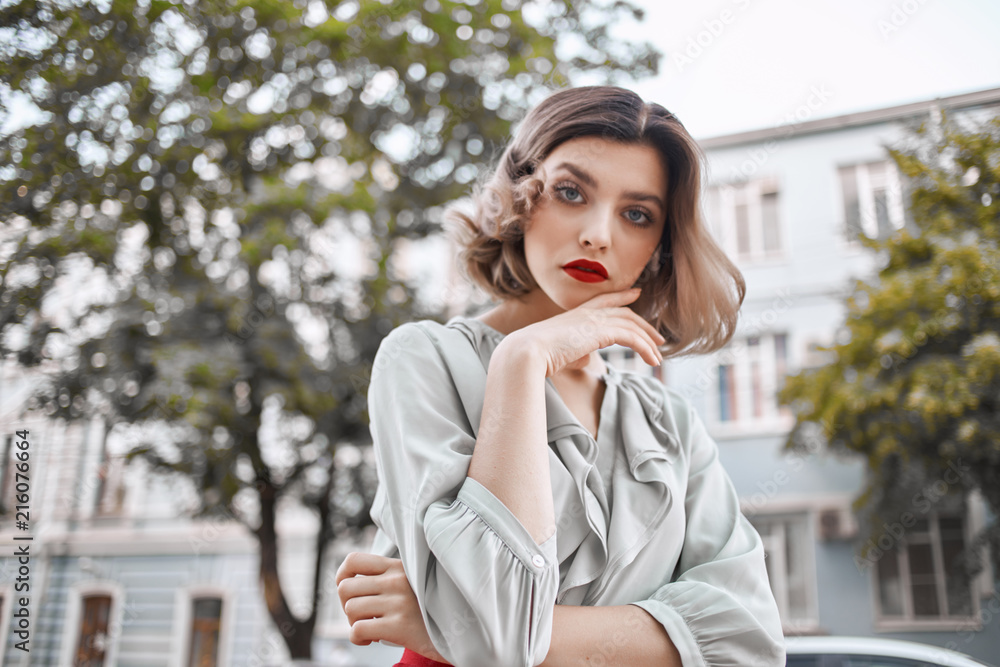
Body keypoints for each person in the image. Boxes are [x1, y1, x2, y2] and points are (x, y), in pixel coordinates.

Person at [335, 85, 786, 667]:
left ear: (658, 248)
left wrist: (449, 622)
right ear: (519, 199)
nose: (599, 232)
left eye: (637, 214)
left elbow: (749, 641)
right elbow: (498, 630)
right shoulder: (424, 359)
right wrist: (522, 362)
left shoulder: (669, 423)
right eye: (571, 192)